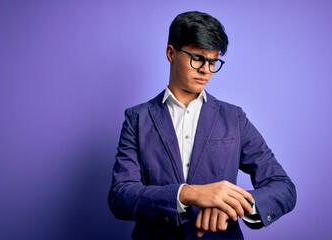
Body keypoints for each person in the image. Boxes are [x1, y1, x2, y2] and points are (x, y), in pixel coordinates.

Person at [108, 11, 296, 240]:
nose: (206, 70)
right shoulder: (137, 118)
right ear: (171, 53)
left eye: (213, 61)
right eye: (197, 58)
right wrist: (188, 194)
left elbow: (283, 187)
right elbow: (120, 195)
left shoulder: (234, 117)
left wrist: (232, 205)